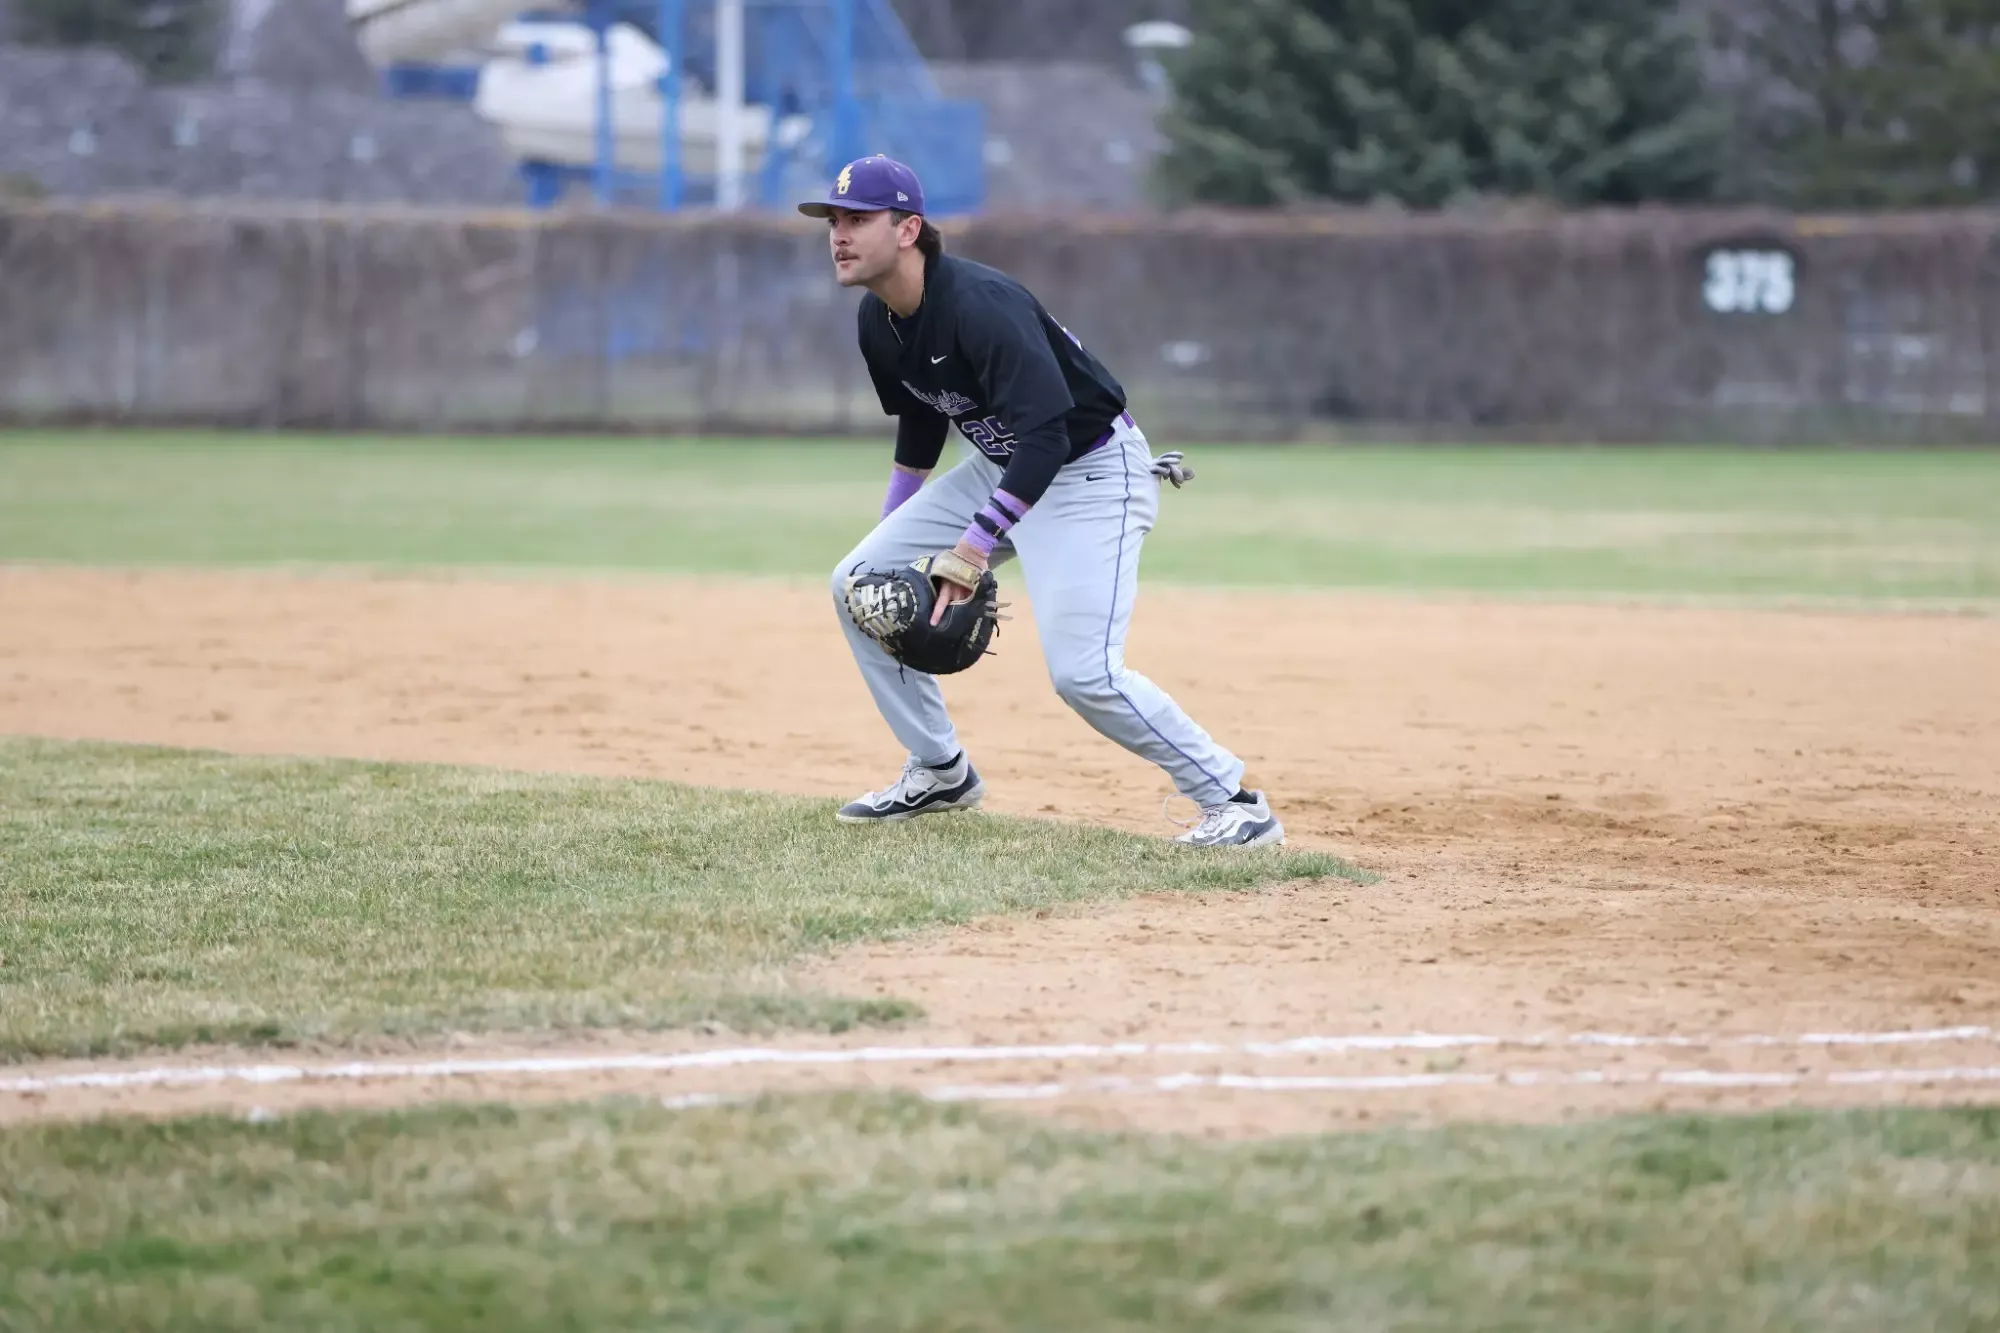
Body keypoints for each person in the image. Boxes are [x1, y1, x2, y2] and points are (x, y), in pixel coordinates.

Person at [801, 155, 1284, 849]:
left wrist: (971, 548)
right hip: (1004, 461)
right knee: (857, 582)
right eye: (833, 220)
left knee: (1084, 673)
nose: (838, 235)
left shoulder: (979, 305)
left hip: (1091, 471)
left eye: (857, 219)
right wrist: (893, 537)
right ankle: (941, 769)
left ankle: (1235, 801)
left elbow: (1048, 435)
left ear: (908, 228)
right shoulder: (879, 320)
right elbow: (923, 418)